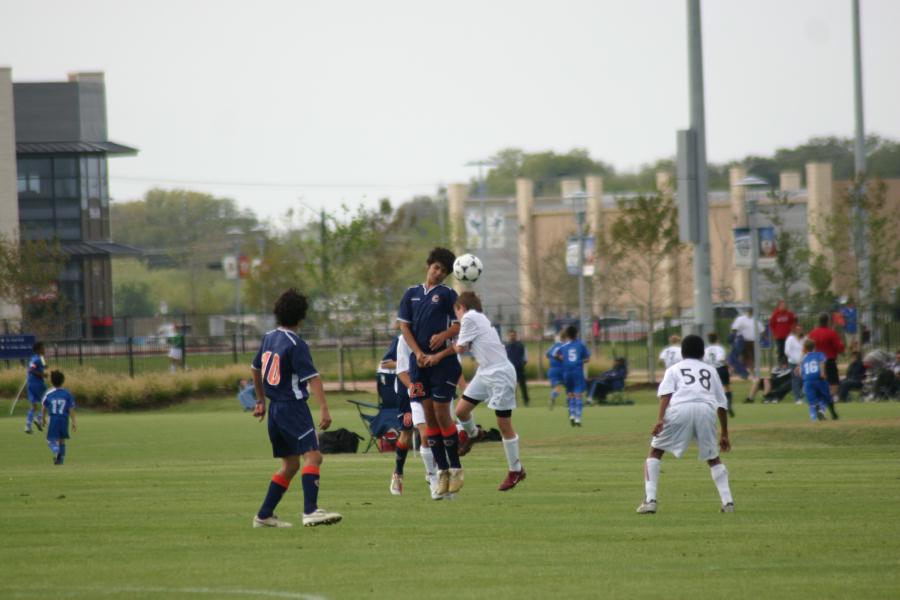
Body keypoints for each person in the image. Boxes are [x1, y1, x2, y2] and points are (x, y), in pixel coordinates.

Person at [250, 288, 341, 528]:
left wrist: (260, 400)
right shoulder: (296, 343)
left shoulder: (269, 337)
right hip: (292, 408)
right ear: (301, 318)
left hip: (275, 410)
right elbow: (313, 377)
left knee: (290, 464)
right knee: (314, 456)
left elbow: (255, 368)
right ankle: (310, 511)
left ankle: (264, 515)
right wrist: (324, 408)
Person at [636, 335, 734, 514]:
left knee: (655, 451)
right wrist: (725, 433)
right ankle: (728, 502)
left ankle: (650, 501)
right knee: (713, 456)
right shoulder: (710, 370)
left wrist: (660, 419)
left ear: (682, 352)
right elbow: (722, 404)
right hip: (705, 410)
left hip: (680, 409)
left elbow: (666, 394)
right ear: (703, 352)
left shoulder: (674, 369)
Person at [397, 247, 464, 496]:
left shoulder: (447, 294)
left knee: (441, 413)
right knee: (427, 416)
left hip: (443, 364)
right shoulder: (411, 294)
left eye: (443, 272)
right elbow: (404, 328)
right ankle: (442, 471)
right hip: (419, 364)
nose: (438, 274)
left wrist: (443, 336)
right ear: (428, 265)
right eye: (436, 268)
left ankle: (456, 468)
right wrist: (417, 353)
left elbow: (459, 324)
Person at [453, 292, 526, 491]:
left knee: (503, 424)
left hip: (500, 373)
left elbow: (459, 349)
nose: (457, 317)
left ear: (461, 307)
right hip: (485, 371)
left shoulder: (469, 317)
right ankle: (474, 434)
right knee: (460, 411)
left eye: (456, 311)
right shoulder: (478, 318)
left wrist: (435, 354)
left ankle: (516, 470)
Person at [38, 370, 76, 465]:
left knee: (50, 440)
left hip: (53, 419)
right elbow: (71, 409)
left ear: (51, 381)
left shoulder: (49, 394)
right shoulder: (67, 394)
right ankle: (60, 461)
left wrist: (42, 419)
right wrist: (74, 422)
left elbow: (44, 408)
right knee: (62, 440)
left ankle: (55, 450)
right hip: (64, 419)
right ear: (63, 381)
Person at [556, 325, 590, 427]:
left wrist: (564, 359)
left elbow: (557, 355)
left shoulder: (564, 346)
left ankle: (571, 415)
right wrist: (579, 361)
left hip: (567, 372)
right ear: (576, 333)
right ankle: (577, 418)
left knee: (570, 394)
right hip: (577, 372)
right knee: (578, 394)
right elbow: (587, 359)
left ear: (567, 335)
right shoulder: (581, 345)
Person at [807, 313, 845, 402]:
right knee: (833, 381)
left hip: (816, 362)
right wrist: (842, 349)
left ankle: (819, 398)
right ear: (827, 322)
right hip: (829, 361)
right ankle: (832, 398)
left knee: (818, 381)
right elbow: (839, 347)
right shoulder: (831, 333)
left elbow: (807, 346)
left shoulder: (813, 333)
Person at [731, 308, 764, 403]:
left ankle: (752, 376)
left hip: (753, 342)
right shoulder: (741, 319)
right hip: (743, 342)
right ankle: (748, 375)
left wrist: (760, 340)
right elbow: (734, 329)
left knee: (752, 361)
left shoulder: (756, 320)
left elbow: (762, 331)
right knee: (744, 360)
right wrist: (734, 339)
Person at [704, 333, 733, 417]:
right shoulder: (720, 348)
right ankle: (728, 404)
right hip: (720, 369)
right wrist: (729, 366)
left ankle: (712, 406)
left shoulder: (706, 349)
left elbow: (704, 360)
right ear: (717, 339)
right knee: (726, 387)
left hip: (710, 370)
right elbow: (721, 359)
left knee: (711, 388)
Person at [800, 339, 830, 422]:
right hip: (818, 379)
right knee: (824, 397)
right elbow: (822, 362)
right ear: (815, 347)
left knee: (812, 403)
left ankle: (813, 419)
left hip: (807, 382)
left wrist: (804, 383)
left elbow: (801, 373)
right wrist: (822, 373)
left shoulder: (804, 359)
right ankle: (822, 410)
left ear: (805, 348)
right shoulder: (819, 354)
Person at [24, 342, 47, 434]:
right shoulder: (36, 359)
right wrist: (42, 374)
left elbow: (44, 366)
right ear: (38, 350)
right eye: (42, 348)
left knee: (33, 406)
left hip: (30, 384)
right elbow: (31, 369)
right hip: (37, 384)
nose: (44, 349)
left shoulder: (39, 358)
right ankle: (39, 418)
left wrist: (45, 368)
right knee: (46, 401)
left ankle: (28, 426)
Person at [504, 329, 530, 407]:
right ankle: (512, 402)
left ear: (516, 335)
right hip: (509, 370)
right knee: (510, 387)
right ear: (508, 336)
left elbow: (526, 357)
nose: (512, 336)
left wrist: (522, 364)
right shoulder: (506, 347)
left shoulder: (521, 345)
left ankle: (526, 402)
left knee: (523, 386)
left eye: (513, 335)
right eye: (511, 335)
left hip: (519, 369)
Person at [769, 300, 796, 365]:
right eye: (782, 305)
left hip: (788, 337)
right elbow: (772, 325)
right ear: (779, 306)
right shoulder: (775, 314)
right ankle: (780, 365)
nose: (783, 306)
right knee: (780, 351)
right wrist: (774, 334)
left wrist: (792, 331)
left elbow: (793, 323)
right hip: (779, 337)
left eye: (784, 305)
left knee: (787, 351)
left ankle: (787, 365)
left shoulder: (789, 314)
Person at [785, 324, 806, 405]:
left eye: (801, 329)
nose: (799, 331)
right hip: (793, 363)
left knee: (803, 380)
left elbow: (807, 349)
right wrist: (796, 361)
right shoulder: (790, 339)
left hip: (803, 362)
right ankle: (797, 398)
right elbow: (787, 351)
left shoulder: (804, 339)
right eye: (798, 329)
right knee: (796, 380)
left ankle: (803, 396)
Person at [546, 333, 566, 410]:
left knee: (557, 386)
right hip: (562, 369)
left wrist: (553, 359)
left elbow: (547, 354)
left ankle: (552, 397)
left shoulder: (553, 346)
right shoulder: (565, 346)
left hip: (552, 370)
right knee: (570, 386)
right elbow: (559, 356)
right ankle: (570, 402)